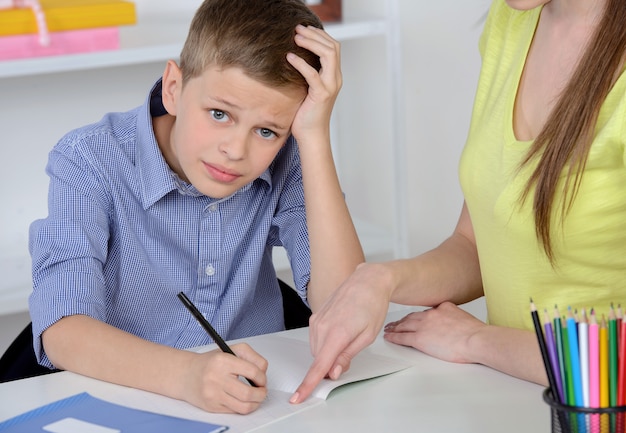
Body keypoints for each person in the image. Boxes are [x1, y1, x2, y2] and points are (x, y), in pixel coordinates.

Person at [28, 0, 364, 414]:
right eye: (219, 113)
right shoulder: (89, 159)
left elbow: (344, 306)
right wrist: (185, 375)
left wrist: (313, 138)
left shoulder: (290, 159)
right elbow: (61, 330)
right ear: (174, 88)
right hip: (126, 400)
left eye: (266, 130)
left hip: (262, 408)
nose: (235, 150)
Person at [291, 0, 626, 404]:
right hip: (514, 394)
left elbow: (615, 368)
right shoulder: (513, 18)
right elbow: (475, 246)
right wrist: (380, 280)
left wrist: (478, 340)